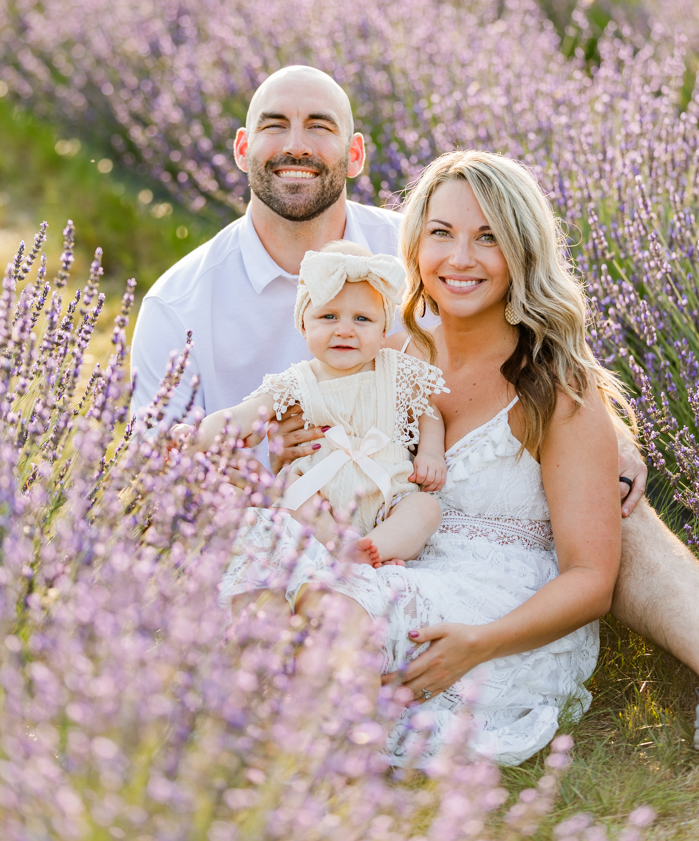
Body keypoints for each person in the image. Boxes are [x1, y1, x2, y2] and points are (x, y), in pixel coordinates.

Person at [130, 64, 699, 683]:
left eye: (319, 126)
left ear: (354, 155)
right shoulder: (179, 304)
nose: (296, 145)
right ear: (243, 148)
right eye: (275, 126)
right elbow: (156, 476)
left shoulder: (412, 247)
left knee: (612, 500)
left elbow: (523, 332)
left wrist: (609, 435)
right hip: (289, 509)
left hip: (421, 498)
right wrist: (258, 460)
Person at [220, 150, 630, 764]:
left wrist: (480, 643)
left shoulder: (557, 388)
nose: (460, 259)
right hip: (390, 556)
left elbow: (591, 580)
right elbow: (326, 446)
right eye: (442, 233)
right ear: (414, 246)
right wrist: (298, 457)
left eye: (488, 238)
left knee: (337, 610)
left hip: (494, 604)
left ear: (522, 253)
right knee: (262, 543)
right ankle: (258, 720)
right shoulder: (390, 352)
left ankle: (305, 747)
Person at [171, 242, 447, 568]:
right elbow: (243, 416)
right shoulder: (296, 382)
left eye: (362, 319)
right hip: (321, 495)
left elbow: (428, 411)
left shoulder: (397, 371)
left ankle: (378, 547)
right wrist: (199, 437)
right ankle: (344, 550)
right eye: (328, 316)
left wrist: (430, 452)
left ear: (384, 328)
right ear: (304, 325)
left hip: (389, 491)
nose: (345, 330)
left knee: (425, 509)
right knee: (291, 500)